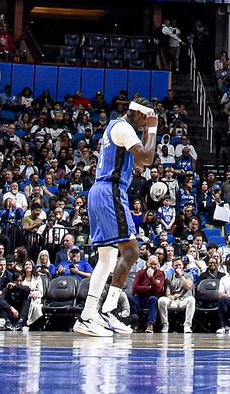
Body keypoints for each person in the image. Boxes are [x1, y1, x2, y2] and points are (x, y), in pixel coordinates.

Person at [75, 97, 160, 338]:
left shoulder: (116, 126)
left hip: (102, 191)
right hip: (110, 191)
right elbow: (146, 157)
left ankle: (90, 314)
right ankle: (106, 310)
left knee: (107, 259)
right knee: (132, 251)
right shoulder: (123, 127)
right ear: (140, 115)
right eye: (146, 118)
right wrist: (151, 130)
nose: (146, 122)